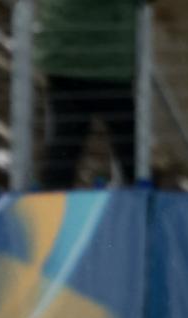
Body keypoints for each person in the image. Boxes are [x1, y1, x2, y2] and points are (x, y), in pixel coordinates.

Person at [36, 0, 141, 188]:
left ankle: (52, 201)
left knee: (65, 146)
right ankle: (141, 198)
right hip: (105, 59)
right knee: (130, 148)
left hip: (64, 56)